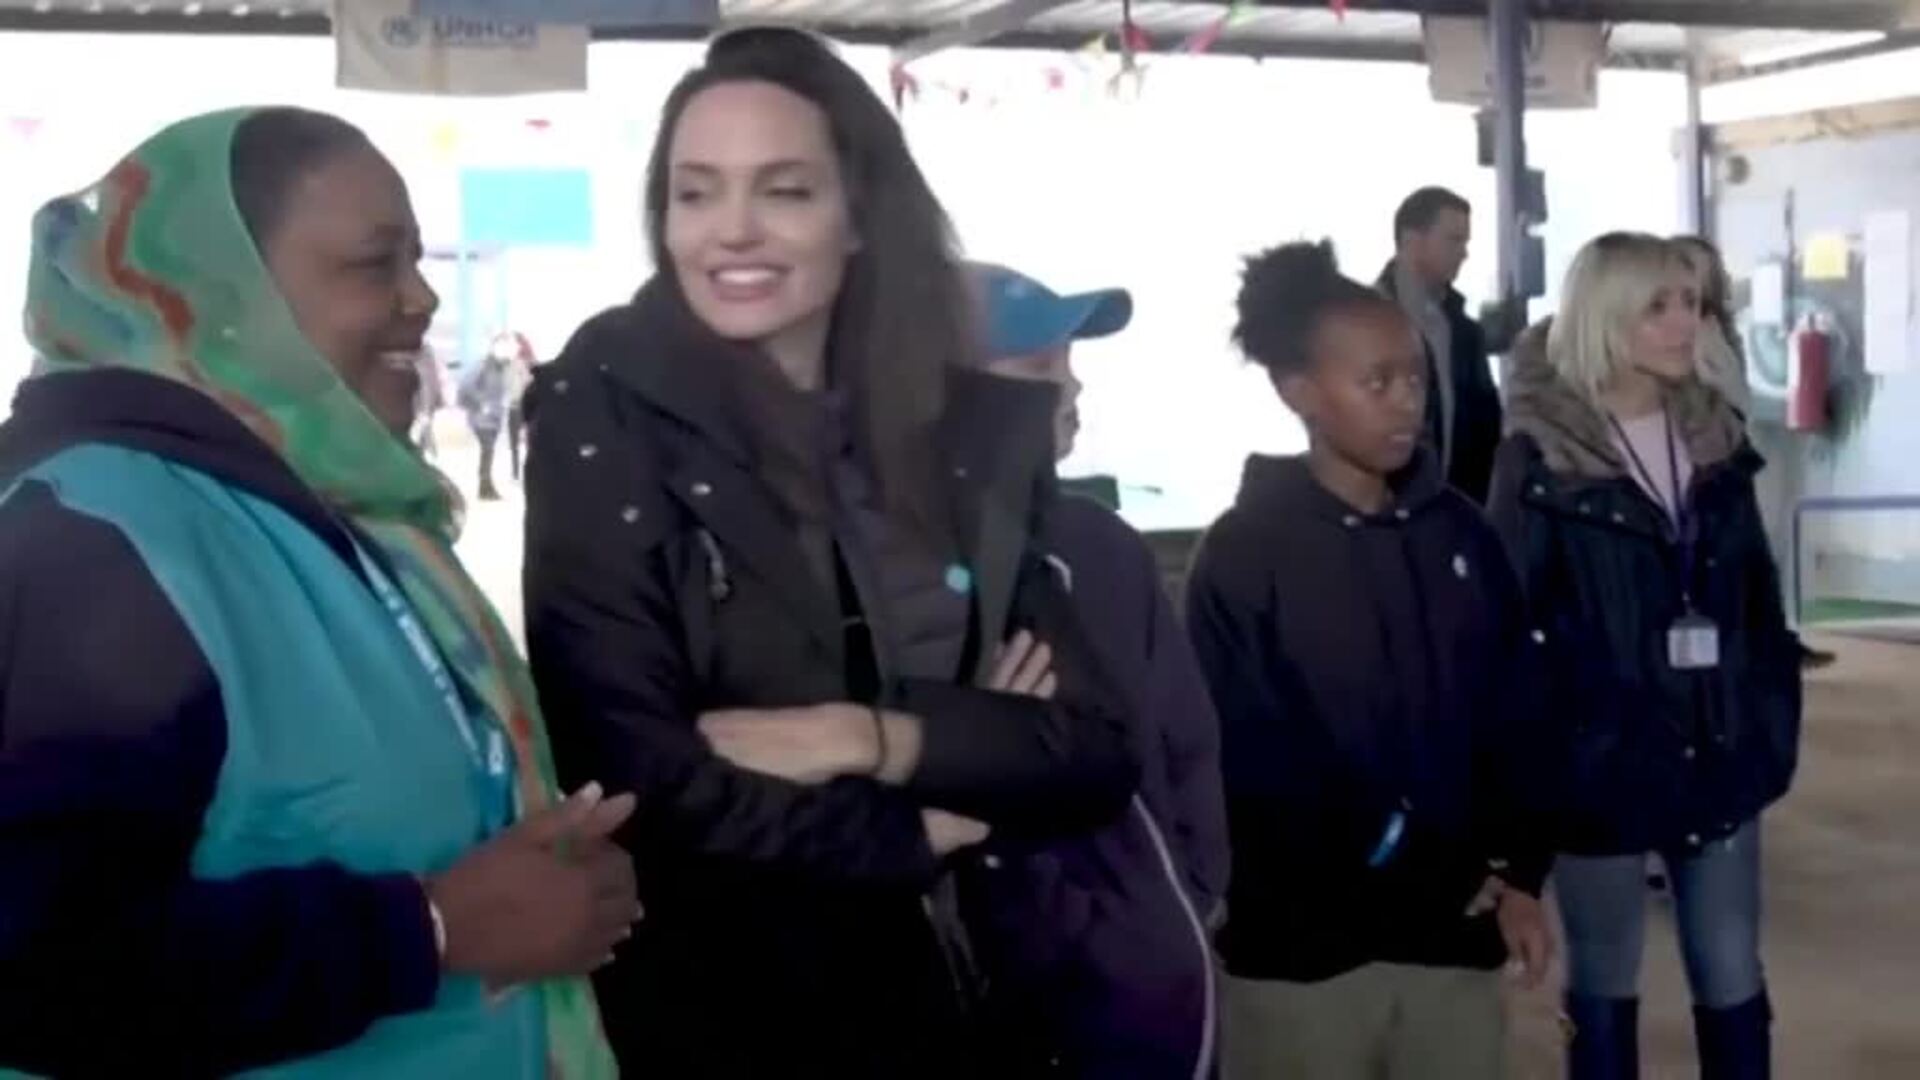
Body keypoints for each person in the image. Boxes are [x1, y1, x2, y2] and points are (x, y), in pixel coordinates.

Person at [522, 28, 1140, 1079]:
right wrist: (914, 826)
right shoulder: (604, 416)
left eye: (785, 191)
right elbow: (633, 771)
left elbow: (1090, 754)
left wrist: (865, 738)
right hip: (720, 1016)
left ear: (858, 213)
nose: (732, 229)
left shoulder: (958, 437)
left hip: (955, 995)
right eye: (696, 193)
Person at [0, 107, 636, 1077]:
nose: (423, 297)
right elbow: (36, 968)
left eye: (417, 258)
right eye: (375, 264)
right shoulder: (99, 544)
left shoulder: (332, 507)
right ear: (221, 302)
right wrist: (427, 929)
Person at [1188, 241, 1554, 1079]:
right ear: (1298, 392)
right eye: (1376, 382)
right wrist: (1418, 860)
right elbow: (1253, 765)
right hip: (1304, 959)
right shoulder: (1244, 555)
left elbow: (1517, 712)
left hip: (1454, 941)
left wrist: (1522, 872)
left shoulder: (1461, 535)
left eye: (1415, 379)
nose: (1407, 405)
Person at [1488, 232, 1801, 1080]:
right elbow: (1508, 631)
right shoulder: (1538, 459)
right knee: (1604, 972)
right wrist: (1542, 774)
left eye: (1690, 303)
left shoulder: (1717, 441)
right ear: (1606, 316)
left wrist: (1767, 726)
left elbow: (1759, 607)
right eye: (1658, 306)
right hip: (1600, 765)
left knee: (1731, 965)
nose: (1684, 323)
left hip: (1720, 752)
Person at [964, 262, 1229, 1080]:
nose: (1072, 387)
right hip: (1016, 1004)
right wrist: (1070, 930)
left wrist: (1192, 894)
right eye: (1041, 366)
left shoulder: (1104, 545)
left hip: (1154, 976)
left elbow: (1186, 739)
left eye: (1071, 362)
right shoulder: (904, 570)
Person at [1377, 186, 1502, 503]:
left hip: (1454, 510)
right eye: (1453, 240)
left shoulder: (1464, 334)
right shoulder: (1364, 324)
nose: (1464, 253)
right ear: (1412, 240)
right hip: (1381, 508)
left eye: (1465, 242)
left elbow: (1487, 431)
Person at [458, 338, 512, 500]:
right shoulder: (483, 365)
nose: (506, 351)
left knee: (488, 452)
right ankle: (485, 488)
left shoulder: (501, 367)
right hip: (482, 419)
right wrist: (481, 403)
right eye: (503, 347)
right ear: (494, 348)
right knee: (487, 451)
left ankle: (486, 487)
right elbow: (466, 386)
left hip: (494, 418)